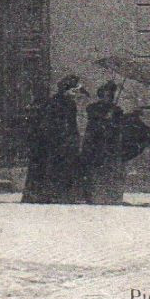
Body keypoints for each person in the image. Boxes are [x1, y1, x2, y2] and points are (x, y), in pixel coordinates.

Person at [22, 75, 84, 204]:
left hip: (63, 142)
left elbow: (71, 125)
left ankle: (58, 195)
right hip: (55, 143)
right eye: (74, 91)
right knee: (54, 169)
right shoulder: (58, 103)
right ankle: (53, 195)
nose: (76, 95)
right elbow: (52, 124)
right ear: (66, 90)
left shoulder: (66, 103)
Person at [81, 81, 130, 204]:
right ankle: (93, 197)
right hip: (95, 145)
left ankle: (111, 197)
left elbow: (119, 128)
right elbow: (93, 126)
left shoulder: (117, 110)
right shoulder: (93, 108)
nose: (109, 98)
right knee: (94, 172)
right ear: (101, 95)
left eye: (111, 96)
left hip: (110, 146)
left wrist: (113, 121)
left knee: (111, 172)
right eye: (107, 95)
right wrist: (104, 119)